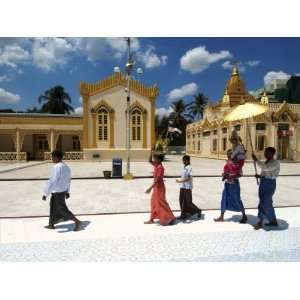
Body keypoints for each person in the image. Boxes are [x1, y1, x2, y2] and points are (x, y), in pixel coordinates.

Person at [42, 150, 82, 231]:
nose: (52, 159)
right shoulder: (66, 167)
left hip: (57, 192)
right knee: (53, 207)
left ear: (56, 157)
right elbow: (68, 180)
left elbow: (53, 181)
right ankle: (51, 224)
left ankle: (76, 221)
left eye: (52, 157)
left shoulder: (57, 167)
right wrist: (67, 191)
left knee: (62, 209)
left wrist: (45, 193)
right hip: (62, 191)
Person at [214, 149, 247, 223]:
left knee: (237, 199)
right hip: (227, 184)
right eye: (228, 154)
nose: (229, 155)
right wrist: (224, 175)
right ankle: (221, 216)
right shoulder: (228, 162)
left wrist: (232, 175)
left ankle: (244, 215)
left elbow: (240, 174)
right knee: (224, 198)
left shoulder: (238, 164)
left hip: (234, 184)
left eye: (230, 154)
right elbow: (226, 172)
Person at [144, 151, 176, 226]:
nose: (153, 159)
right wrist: (151, 153)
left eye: (155, 158)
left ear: (158, 159)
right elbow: (149, 161)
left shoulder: (160, 167)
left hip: (160, 187)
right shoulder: (156, 165)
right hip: (156, 187)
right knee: (153, 202)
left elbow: (158, 179)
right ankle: (151, 219)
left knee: (162, 203)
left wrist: (150, 188)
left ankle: (172, 218)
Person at [252, 147, 280, 230]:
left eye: (268, 153)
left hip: (270, 184)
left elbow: (266, 168)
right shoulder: (266, 162)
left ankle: (261, 221)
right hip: (263, 183)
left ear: (272, 154)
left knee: (265, 202)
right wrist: (259, 176)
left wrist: (256, 160)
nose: (266, 154)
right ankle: (272, 220)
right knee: (263, 202)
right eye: (265, 152)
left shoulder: (276, 162)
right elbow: (265, 173)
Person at [176, 155, 201, 220]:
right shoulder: (184, 167)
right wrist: (180, 181)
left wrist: (180, 181)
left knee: (187, 202)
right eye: (183, 160)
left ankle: (197, 211)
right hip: (182, 186)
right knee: (181, 200)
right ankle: (185, 214)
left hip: (187, 187)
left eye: (184, 160)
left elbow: (189, 178)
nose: (183, 161)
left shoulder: (189, 167)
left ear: (188, 160)